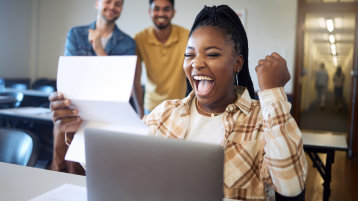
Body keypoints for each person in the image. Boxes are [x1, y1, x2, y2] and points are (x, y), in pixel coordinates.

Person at [49, 5, 307, 200]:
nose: (196, 63)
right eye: (189, 54)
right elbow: (115, 163)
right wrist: (78, 126)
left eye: (213, 54)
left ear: (237, 62)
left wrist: (272, 92)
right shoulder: (164, 114)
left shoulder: (261, 120)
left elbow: (291, 185)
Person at [50, 0, 136, 175]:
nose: (112, 7)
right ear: (97, 3)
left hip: (108, 111)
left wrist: (99, 49)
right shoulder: (76, 34)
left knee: (88, 170)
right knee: (60, 162)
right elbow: (71, 76)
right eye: (108, 1)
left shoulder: (128, 43)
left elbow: (119, 84)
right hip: (75, 107)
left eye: (118, 4)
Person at [133, 0, 189, 117]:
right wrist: (140, 113)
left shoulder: (187, 36)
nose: (161, 13)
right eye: (156, 9)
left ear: (173, 13)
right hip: (151, 107)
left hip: (179, 106)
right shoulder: (139, 39)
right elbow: (136, 80)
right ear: (150, 12)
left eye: (166, 9)